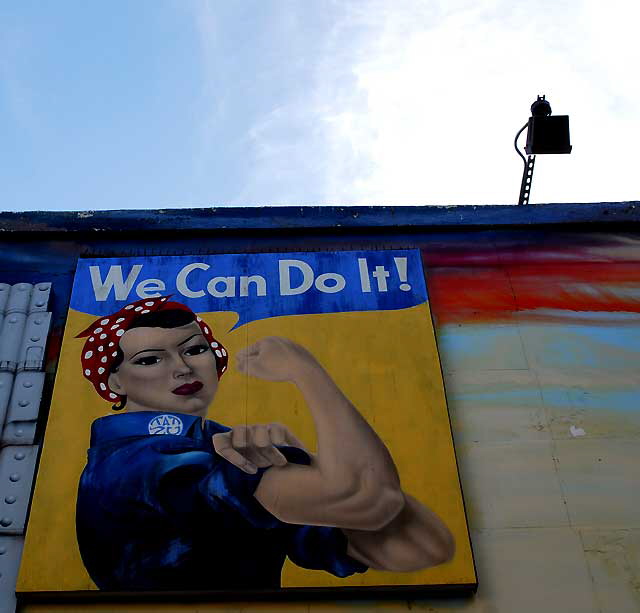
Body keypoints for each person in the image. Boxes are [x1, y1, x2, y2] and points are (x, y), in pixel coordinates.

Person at [75, 296, 454, 591]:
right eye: (149, 360)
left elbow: (419, 546)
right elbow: (368, 498)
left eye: (193, 349)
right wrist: (306, 373)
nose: (183, 368)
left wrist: (304, 462)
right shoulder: (141, 462)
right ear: (115, 383)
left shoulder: (219, 449)